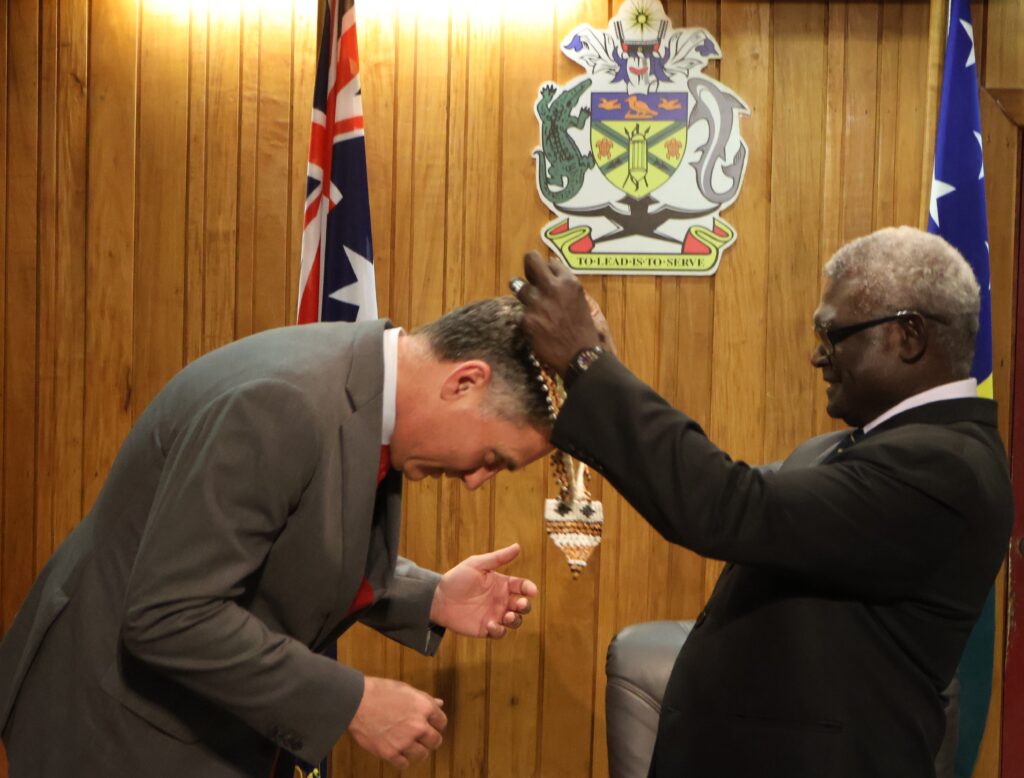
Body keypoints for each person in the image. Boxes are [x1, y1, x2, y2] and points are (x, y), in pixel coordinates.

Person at [511, 226, 1013, 778]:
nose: (818, 357)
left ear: (910, 335)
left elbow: (727, 505)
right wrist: (606, 369)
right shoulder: (855, 448)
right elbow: (719, 484)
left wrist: (585, 364)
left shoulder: (945, 469)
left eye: (833, 334)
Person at [0, 297, 551, 776]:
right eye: (493, 458)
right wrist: (354, 703)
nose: (478, 481)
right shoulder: (284, 402)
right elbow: (170, 613)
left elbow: (281, 537)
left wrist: (427, 596)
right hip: (116, 734)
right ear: (464, 382)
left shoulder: (352, 381)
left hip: (184, 721)